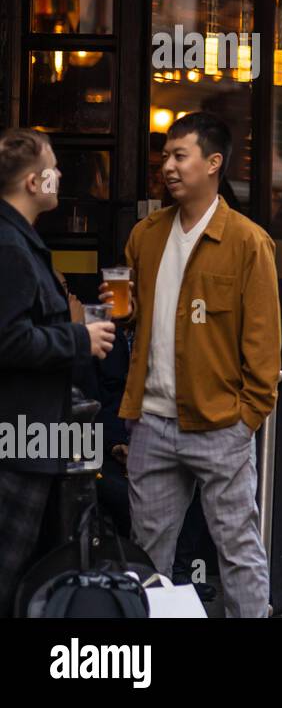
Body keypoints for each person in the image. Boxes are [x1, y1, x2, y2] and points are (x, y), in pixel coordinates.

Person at [114, 112, 280, 618]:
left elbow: (265, 345)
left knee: (238, 552)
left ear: (213, 163)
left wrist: (246, 418)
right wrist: (122, 309)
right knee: (148, 555)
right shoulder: (145, 235)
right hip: (154, 420)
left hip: (221, 423)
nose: (167, 165)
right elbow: (140, 315)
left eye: (178, 155)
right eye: (164, 155)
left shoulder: (249, 242)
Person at [0, 129, 113, 616]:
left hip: (32, 439)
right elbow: (8, 340)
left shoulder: (19, 239)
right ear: (31, 180)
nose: (60, 175)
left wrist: (85, 322)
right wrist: (78, 339)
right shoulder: (9, 244)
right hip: (16, 442)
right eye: (53, 167)